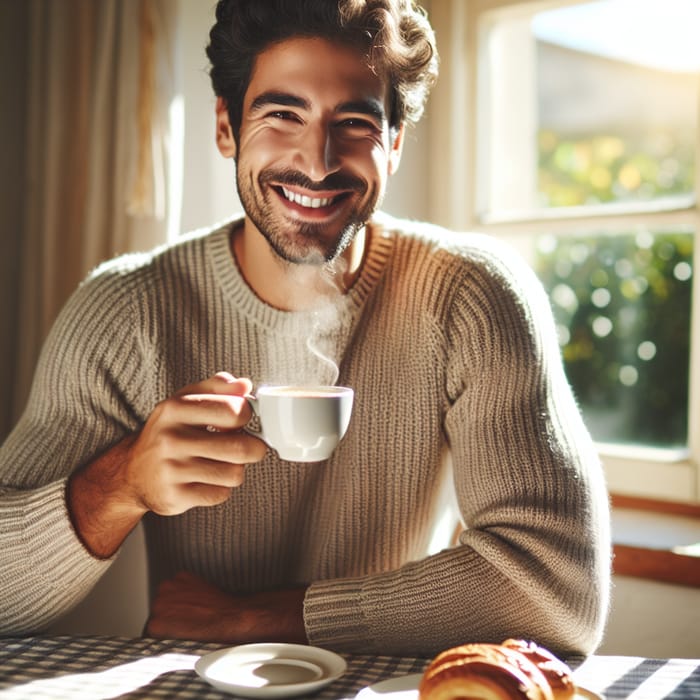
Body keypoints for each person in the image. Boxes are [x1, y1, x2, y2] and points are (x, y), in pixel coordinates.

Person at [0, 0, 610, 657]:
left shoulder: (471, 297)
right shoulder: (126, 310)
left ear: (395, 144)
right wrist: (121, 485)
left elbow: (560, 590)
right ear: (226, 128)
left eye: (354, 122)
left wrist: (254, 619)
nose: (317, 163)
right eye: (282, 114)